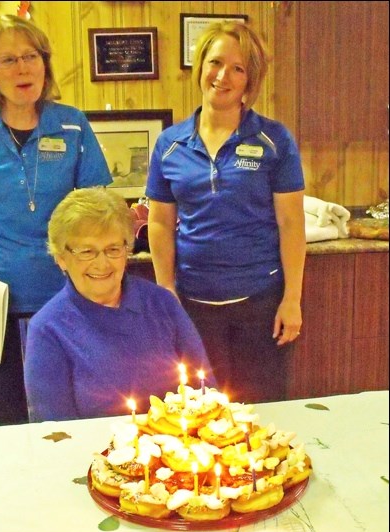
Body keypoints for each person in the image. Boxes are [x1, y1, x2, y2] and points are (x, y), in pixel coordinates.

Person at [0, 15, 112, 426]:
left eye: (30, 56)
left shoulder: (72, 125)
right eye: (7, 59)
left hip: (64, 294)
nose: (22, 68)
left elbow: (96, 211)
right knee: (8, 414)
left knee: (72, 407)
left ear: (44, 63)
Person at [145, 21, 306, 404]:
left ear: (250, 80)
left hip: (261, 304)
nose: (224, 76)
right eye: (216, 62)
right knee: (202, 416)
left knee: (264, 416)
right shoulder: (169, 144)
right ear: (200, 66)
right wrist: (166, 291)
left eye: (239, 68)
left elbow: (291, 223)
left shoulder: (274, 140)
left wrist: (292, 299)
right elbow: (160, 223)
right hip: (194, 307)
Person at [23, 187, 216, 421]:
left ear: (127, 250)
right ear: (61, 258)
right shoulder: (47, 329)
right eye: (87, 251)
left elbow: (205, 392)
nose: (102, 264)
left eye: (113, 249)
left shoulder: (163, 304)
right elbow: (56, 431)